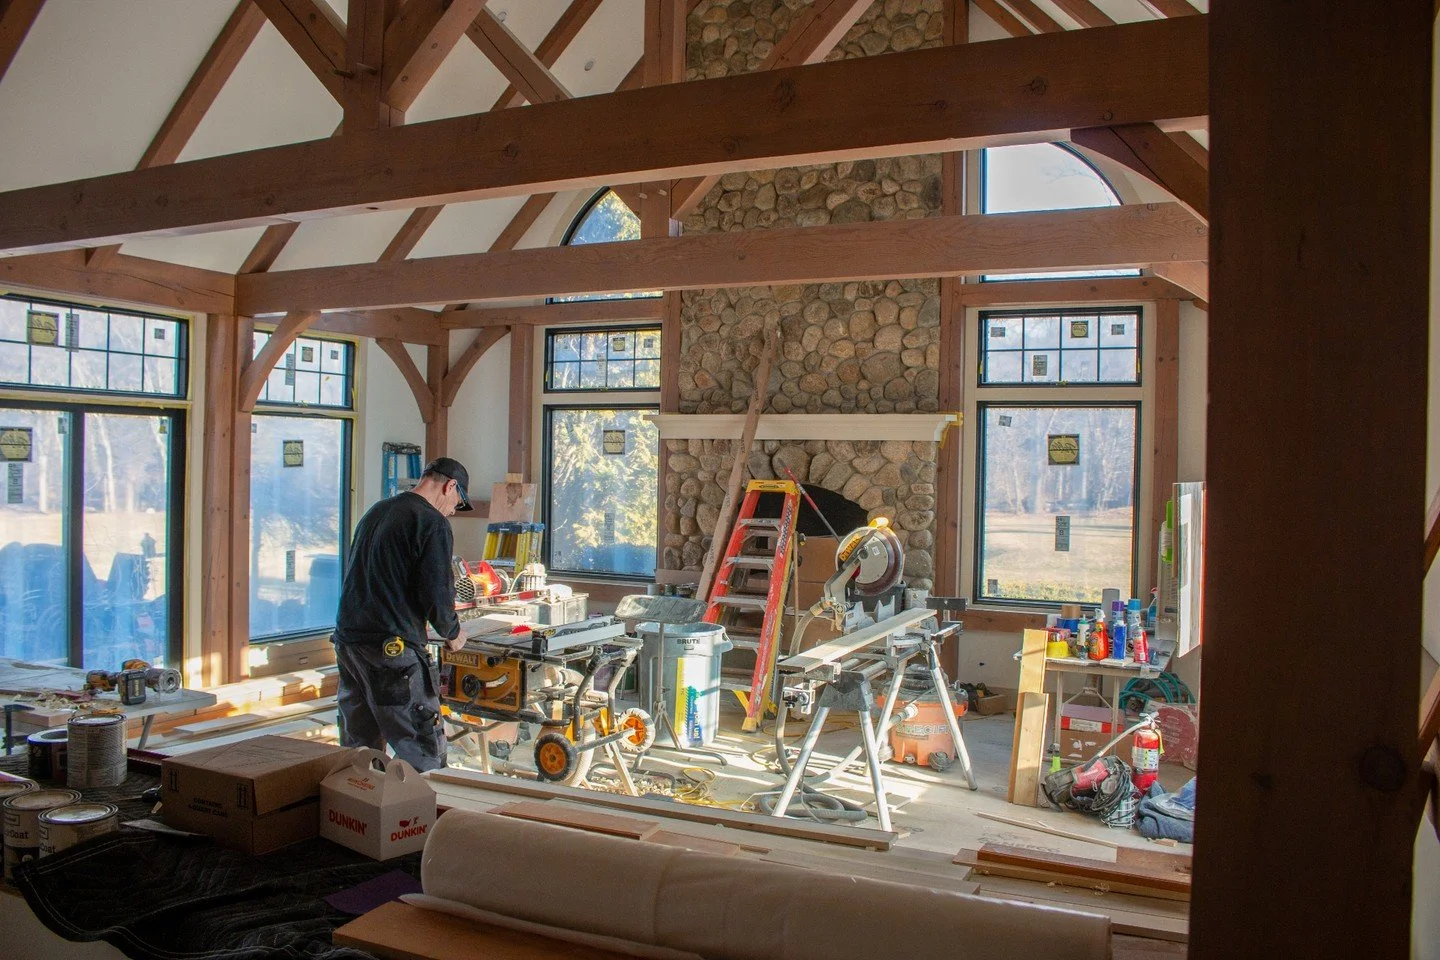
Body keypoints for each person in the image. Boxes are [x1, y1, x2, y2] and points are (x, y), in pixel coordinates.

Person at [332, 457, 473, 771]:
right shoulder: (432, 522)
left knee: (360, 751)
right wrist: (452, 632)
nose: (453, 511)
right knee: (422, 749)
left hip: (350, 644)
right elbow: (436, 590)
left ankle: (363, 813)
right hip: (391, 652)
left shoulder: (377, 511)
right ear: (450, 486)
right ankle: (419, 819)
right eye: (457, 503)